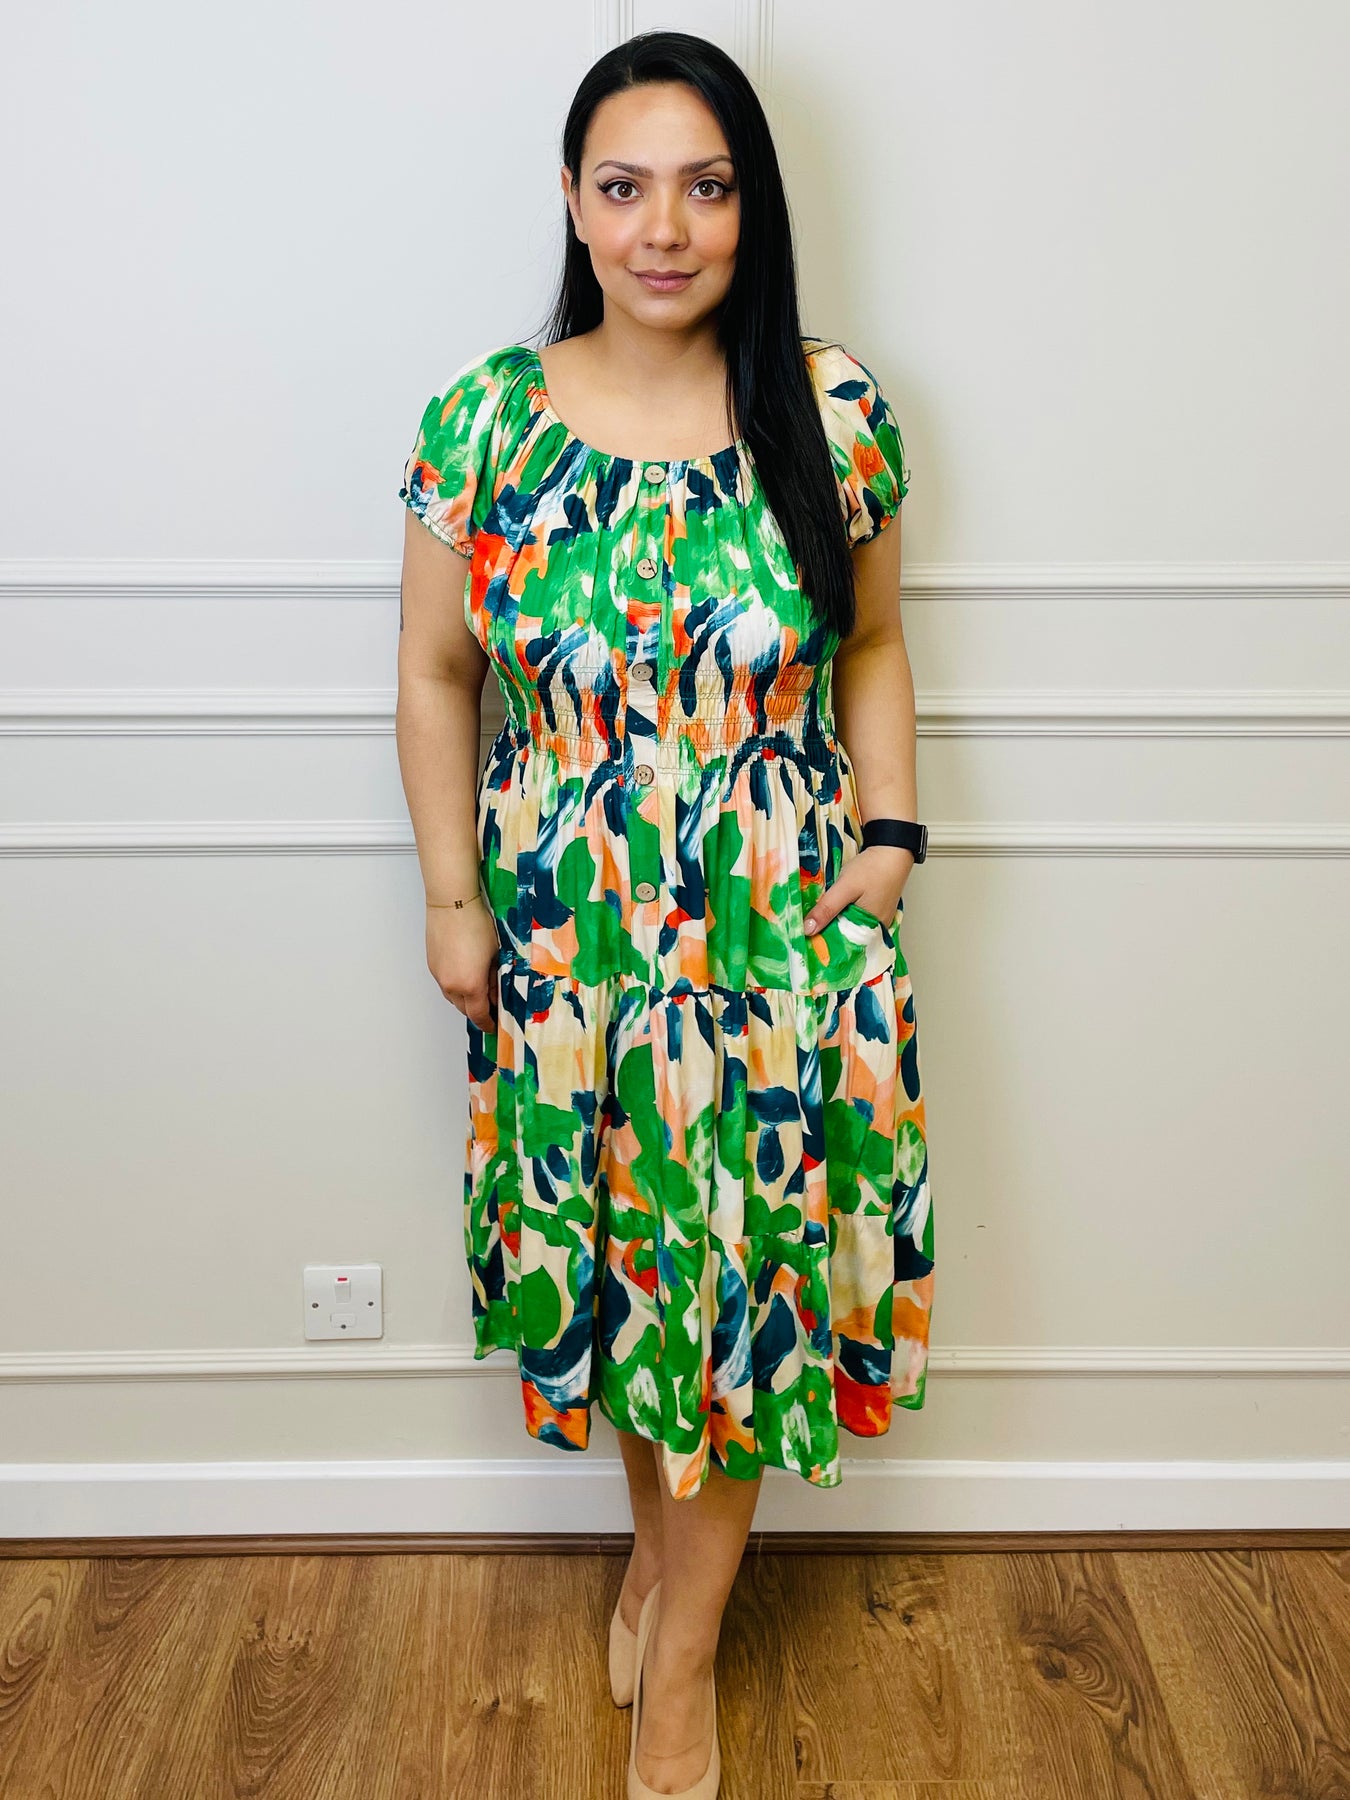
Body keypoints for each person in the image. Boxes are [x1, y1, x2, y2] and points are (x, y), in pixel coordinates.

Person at [395, 29, 934, 1800]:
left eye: (704, 188)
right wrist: (452, 900)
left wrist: (889, 840)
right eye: (624, 188)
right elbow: (432, 672)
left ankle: (683, 1662)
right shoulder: (485, 421)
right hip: (571, 949)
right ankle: (656, 1567)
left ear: (748, 204)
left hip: (777, 945)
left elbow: (870, 641)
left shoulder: (830, 408)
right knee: (635, 1280)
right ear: (572, 201)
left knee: (741, 1293)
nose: (664, 229)